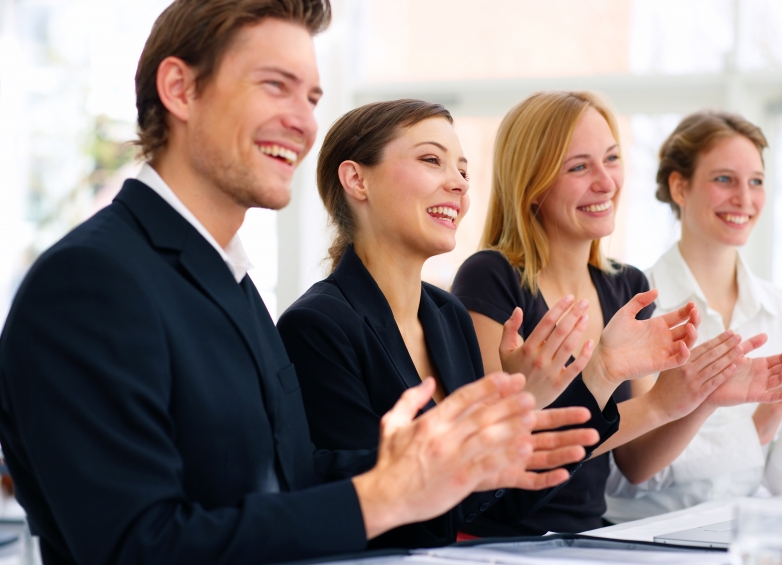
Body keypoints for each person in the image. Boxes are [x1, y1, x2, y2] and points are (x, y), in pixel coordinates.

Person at [0, 3, 608, 564]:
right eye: (275, 85)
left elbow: (292, 474)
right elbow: (136, 544)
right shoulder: (90, 282)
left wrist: (440, 463)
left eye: (312, 96)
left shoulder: (230, 283)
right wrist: (380, 499)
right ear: (180, 90)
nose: (304, 121)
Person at [276, 97, 719, 544]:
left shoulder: (446, 315)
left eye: (463, 171)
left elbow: (500, 503)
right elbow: (378, 509)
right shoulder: (317, 327)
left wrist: (592, 375)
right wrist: (518, 409)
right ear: (357, 179)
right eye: (433, 160)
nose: (459, 185)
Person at [451, 91, 782, 534]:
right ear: (531, 184)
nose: (606, 182)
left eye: (611, 159)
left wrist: (699, 398)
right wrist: (626, 386)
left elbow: (635, 464)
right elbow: (495, 450)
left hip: (591, 536)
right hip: (499, 539)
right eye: (579, 166)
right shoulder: (490, 277)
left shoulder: (628, 287)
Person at [604, 111, 782, 522]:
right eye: (724, 179)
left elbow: (779, 481)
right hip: (639, 541)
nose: (744, 198)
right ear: (679, 187)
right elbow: (630, 474)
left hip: (737, 535)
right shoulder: (634, 304)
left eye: (755, 181)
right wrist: (758, 427)